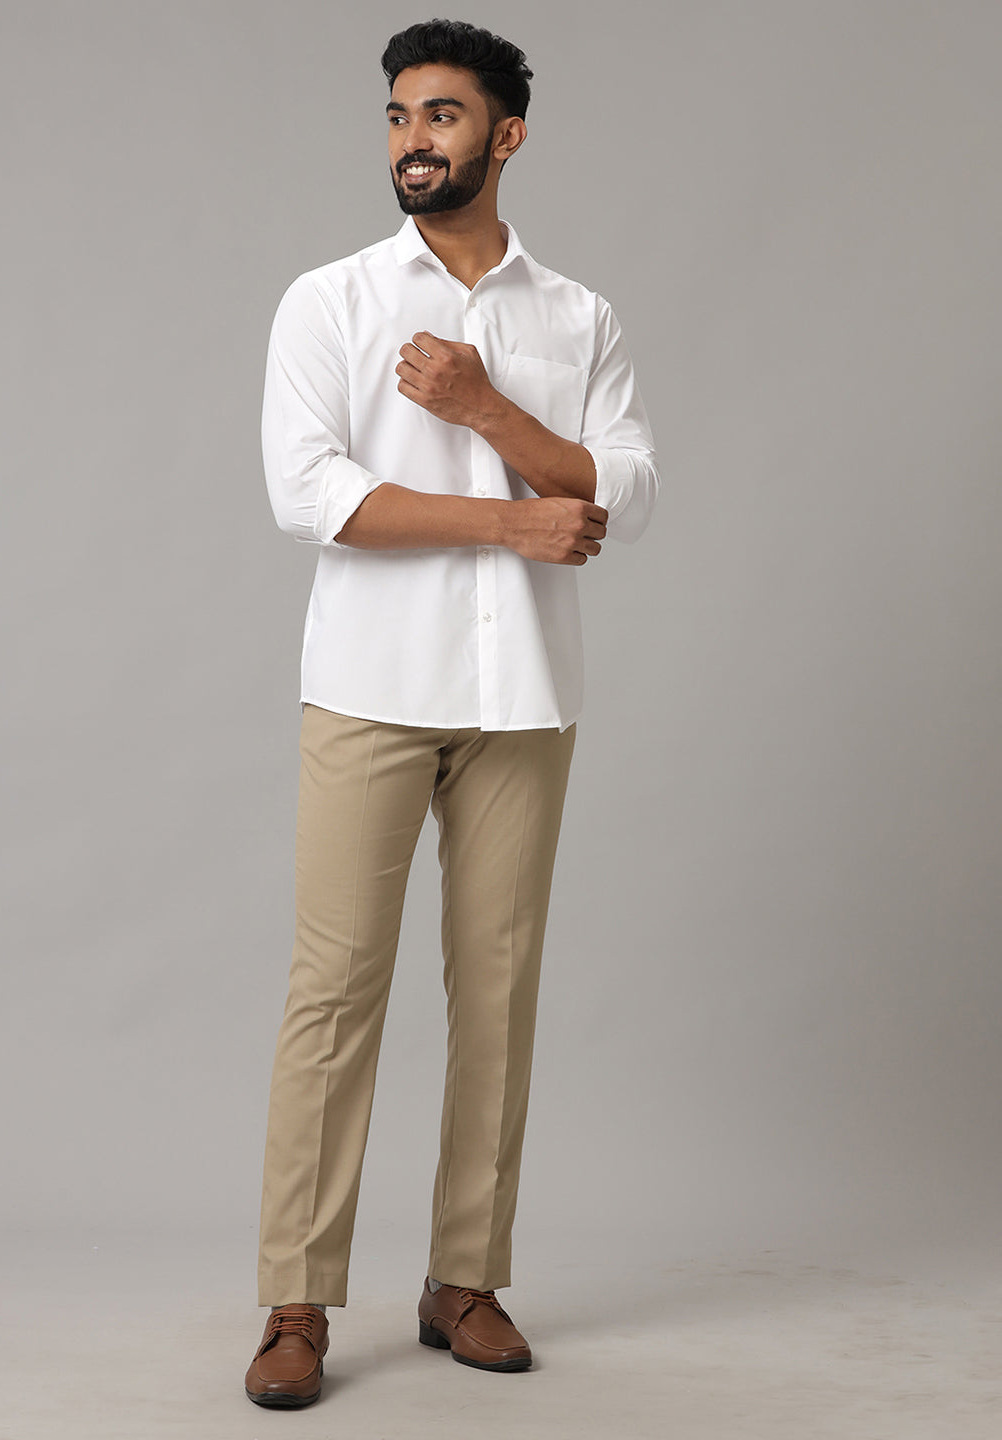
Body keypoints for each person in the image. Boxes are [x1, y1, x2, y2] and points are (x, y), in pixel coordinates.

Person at [244, 18, 660, 1408]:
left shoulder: (577, 318)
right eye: (397, 115)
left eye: (441, 114)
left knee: (498, 992)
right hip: (370, 688)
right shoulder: (331, 301)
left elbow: (624, 491)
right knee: (333, 995)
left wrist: (487, 409)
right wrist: (510, 517)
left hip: (522, 698)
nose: (412, 139)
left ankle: (463, 1281)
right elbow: (311, 495)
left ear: (507, 134)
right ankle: (297, 1301)